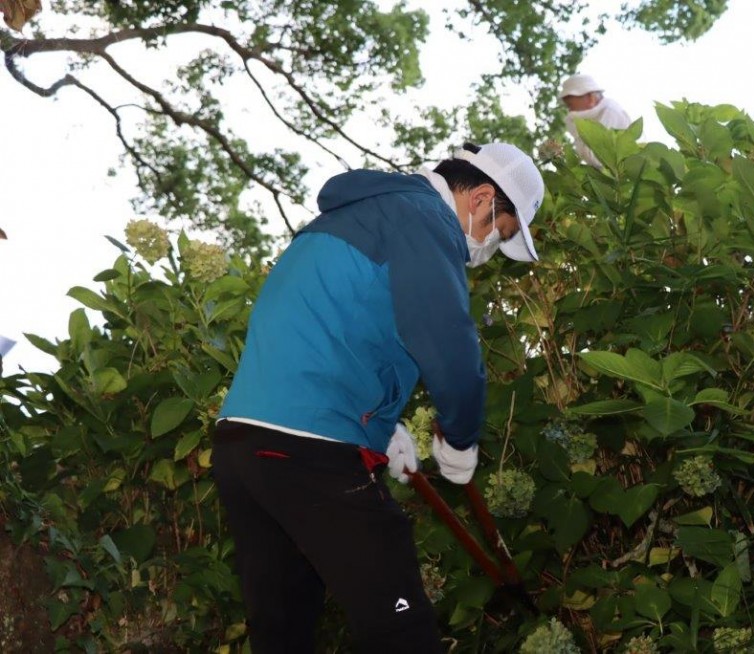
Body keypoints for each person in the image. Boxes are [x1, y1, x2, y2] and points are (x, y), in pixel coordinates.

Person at [210, 142, 545, 653]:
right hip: (311, 448)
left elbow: (333, 323)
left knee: (284, 632)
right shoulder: (424, 218)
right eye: (496, 234)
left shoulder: (366, 213)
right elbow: (448, 342)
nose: (488, 250)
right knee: (401, 630)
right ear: (480, 198)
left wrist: (380, 426)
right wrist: (460, 440)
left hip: (243, 445)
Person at [560, 73, 632, 168]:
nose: (570, 111)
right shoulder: (600, 114)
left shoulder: (609, 111)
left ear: (591, 98)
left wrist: (578, 131)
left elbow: (596, 158)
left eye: (570, 105)